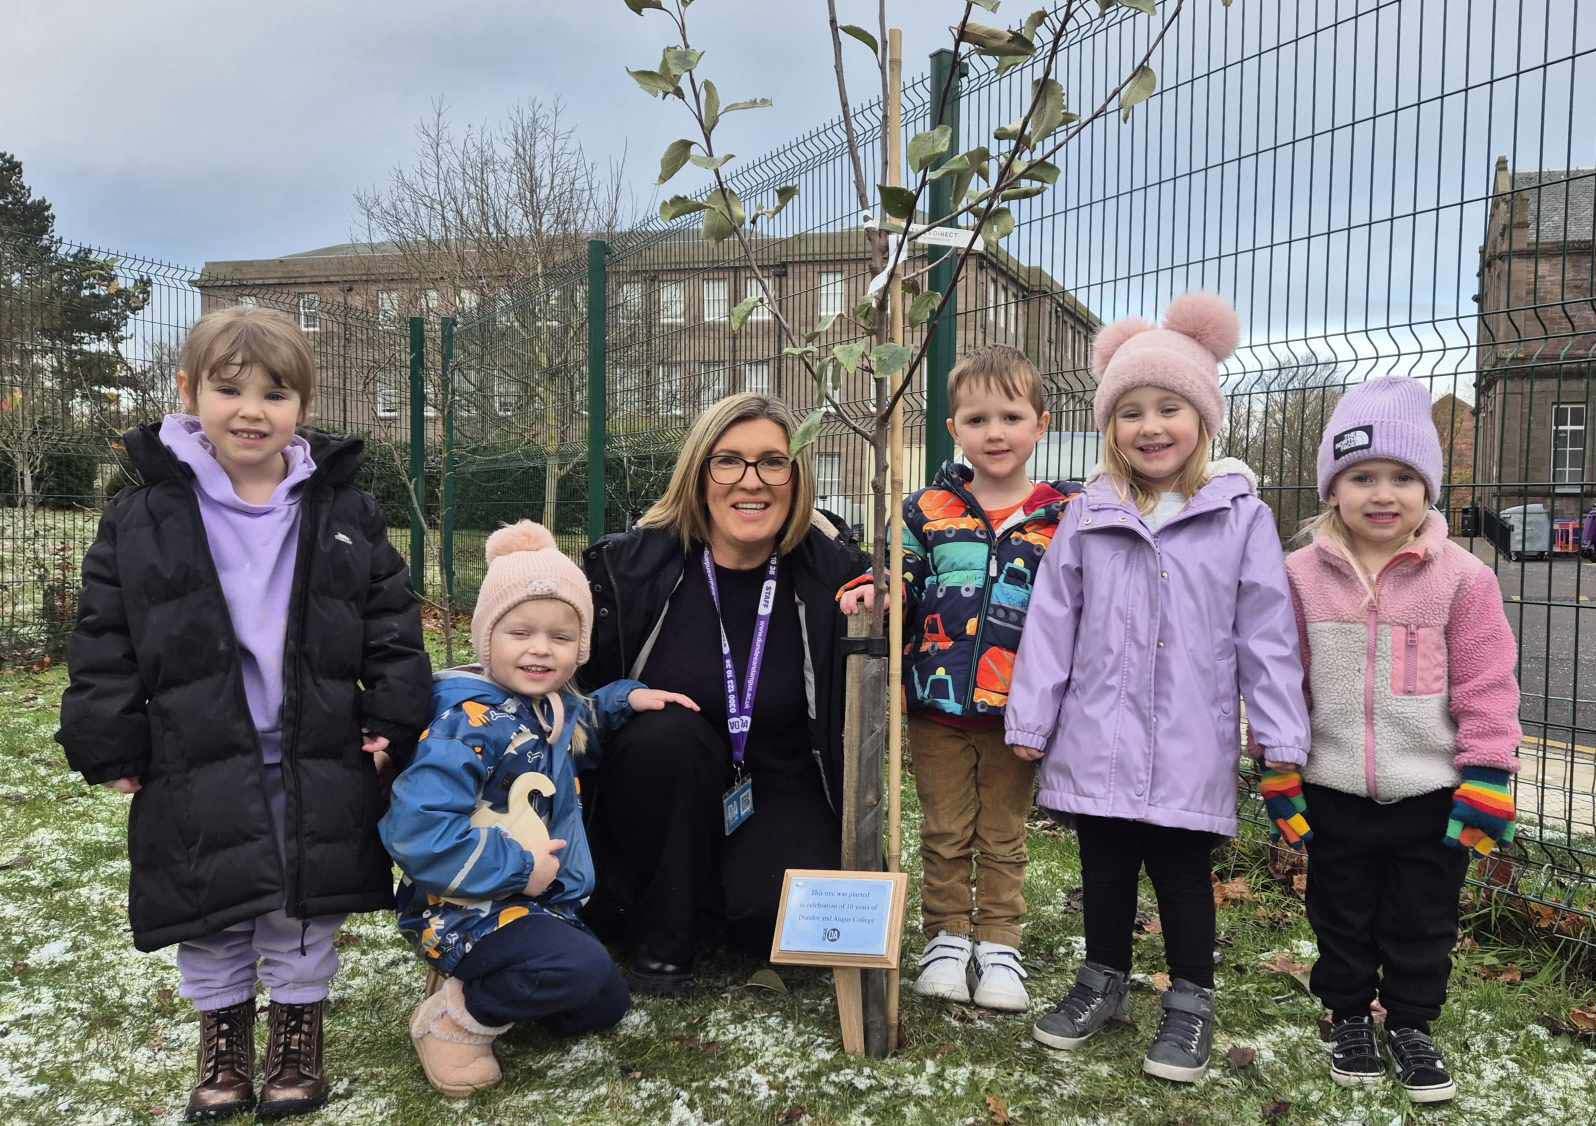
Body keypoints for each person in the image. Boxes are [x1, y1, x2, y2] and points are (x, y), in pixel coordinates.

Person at [55, 306, 431, 1120]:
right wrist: (109, 733)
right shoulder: (143, 516)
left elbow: (391, 623)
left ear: (304, 404)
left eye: (276, 393)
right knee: (209, 889)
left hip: (316, 740)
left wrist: (393, 715)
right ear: (190, 393)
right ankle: (222, 1033)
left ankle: (298, 1027)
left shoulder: (344, 513)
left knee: (303, 899)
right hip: (194, 742)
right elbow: (104, 637)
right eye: (229, 390)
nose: (252, 410)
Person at [1004, 292, 1310, 1083]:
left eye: (1169, 407)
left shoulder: (1240, 515)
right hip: (1098, 731)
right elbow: (1052, 621)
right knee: (1102, 868)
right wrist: (1032, 717)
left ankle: (1191, 1003)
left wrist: (1279, 735)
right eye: (1131, 411)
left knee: (1181, 874)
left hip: (1189, 736)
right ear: (1111, 428)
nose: (1150, 426)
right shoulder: (1089, 512)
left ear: (1202, 418)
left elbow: (1266, 633)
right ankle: (1101, 979)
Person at [383, 521, 696, 1096]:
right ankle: (453, 1018)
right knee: (580, 970)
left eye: (560, 636)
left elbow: (579, 729)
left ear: (580, 648)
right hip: (464, 907)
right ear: (487, 639)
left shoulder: (551, 708)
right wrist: (520, 869)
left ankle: (527, 975)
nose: (539, 649)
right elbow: (418, 831)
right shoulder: (465, 724)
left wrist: (625, 698)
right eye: (520, 632)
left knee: (604, 1003)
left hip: (541, 902)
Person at [1281, 376, 1521, 1103]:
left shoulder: (1464, 581)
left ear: (1429, 490)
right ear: (1333, 489)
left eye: (1402, 478)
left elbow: (1488, 682)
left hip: (1430, 790)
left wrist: (1489, 773)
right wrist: (1278, 766)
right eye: (1361, 477)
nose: (1382, 494)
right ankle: (1349, 1014)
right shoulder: (1299, 576)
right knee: (1339, 911)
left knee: (1423, 917)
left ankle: (1412, 1023)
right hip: (1333, 785)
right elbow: (1281, 678)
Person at [581, 393, 869, 995]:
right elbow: (557, 665)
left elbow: (908, 617)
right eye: (729, 461)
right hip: (658, 793)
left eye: (772, 462)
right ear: (699, 474)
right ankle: (662, 937)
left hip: (775, 785)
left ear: (796, 477)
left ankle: (716, 897)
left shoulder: (832, 576)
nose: (751, 481)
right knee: (666, 733)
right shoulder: (631, 570)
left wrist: (899, 596)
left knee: (779, 922)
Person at [839, 345, 1081, 1011]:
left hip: (1020, 711)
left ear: (1041, 425)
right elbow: (899, 569)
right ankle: (946, 937)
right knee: (945, 828)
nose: (995, 433)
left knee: (1003, 832)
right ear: (955, 431)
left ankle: (999, 942)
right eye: (978, 419)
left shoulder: (1065, 518)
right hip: (937, 705)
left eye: (1011, 416)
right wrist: (876, 589)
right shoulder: (927, 509)